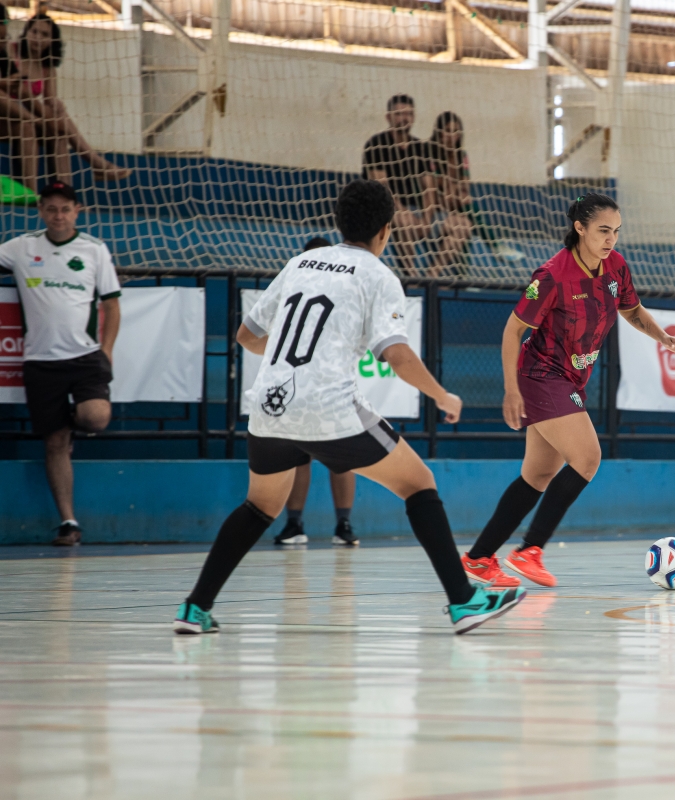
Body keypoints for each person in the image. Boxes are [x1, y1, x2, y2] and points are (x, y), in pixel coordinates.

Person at [174, 179, 524, 636]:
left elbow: (247, 336)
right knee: (419, 484)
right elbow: (396, 354)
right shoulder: (378, 275)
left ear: (339, 222)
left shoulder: (299, 263)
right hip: (328, 406)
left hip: (269, 407)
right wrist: (442, 395)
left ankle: (195, 608)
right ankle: (464, 601)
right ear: (386, 230)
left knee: (259, 506)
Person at [460, 193, 675, 588]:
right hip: (541, 375)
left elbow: (632, 310)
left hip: (570, 378)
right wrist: (511, 390)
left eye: (616, 231)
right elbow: (513, 330)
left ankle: (479, 558)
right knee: (587, 457)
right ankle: (529, 550)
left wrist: (662, 336)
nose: (611, 239)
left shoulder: (616, 267)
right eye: (603, 230)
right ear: (579, 228)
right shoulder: (551, 275)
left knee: (538, 474)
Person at [0, 182, 121, 546]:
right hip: (40, 361)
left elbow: (112, 304)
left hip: (85, 356)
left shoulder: (94, 249)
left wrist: (107, 350)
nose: (58, 216)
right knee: (54, 442)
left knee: (96, 417)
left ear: (76, 211)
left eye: (65, 209)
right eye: (51, 209)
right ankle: (69, 522)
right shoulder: (21, 247)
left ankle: (71, 426)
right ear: (40, 211)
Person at [274, 235, 360, 547]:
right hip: (295, 383)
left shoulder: (345, 292)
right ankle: (294, 524)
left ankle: (344, 524)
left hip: (332, 385)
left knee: (342, 457)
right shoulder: (290, 290)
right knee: (298, 456)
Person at [15, 13, 131, 184]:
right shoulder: (12, 52)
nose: (37, 38)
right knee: (43, 125)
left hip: (32, 117)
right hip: (10, 114)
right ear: (26, 32)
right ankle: (96, 162)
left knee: (60, 132)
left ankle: (65, 192)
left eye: (44, 34)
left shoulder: (48, 68)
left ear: (52, 41)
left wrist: (57, 104)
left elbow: (50, 99)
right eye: (34, 31)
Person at [362, 94, 434, 276]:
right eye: (399, 114)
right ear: (389, 117)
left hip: (414, 210)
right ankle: (411, 275)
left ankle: (433, 275)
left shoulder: (420, 148)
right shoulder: (376, 144)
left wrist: (426, 220)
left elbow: (429, 188)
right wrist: (403, 211)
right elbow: (382, 188)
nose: (404, 118)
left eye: (408, 114)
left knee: (460, 225)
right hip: (381, 207)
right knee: (404, 221)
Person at [427, 111, 472, 278]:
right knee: (466, 223)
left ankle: (435, 273)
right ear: (439, 132)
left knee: (465, 225)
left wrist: (454, 191)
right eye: (447, 131)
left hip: (453, 213)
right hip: (432, 213)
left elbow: (464, 191)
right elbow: (437, 196)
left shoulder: (462, 156)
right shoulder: (430, 155)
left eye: (455, 131)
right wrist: (454, 190)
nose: (452, 136)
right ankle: (493, 242)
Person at [0, 6, 38, 190]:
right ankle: (38, 121)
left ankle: (32, 194)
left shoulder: (2, 53)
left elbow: (17, 83)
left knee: (26, 127)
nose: (3, 41)